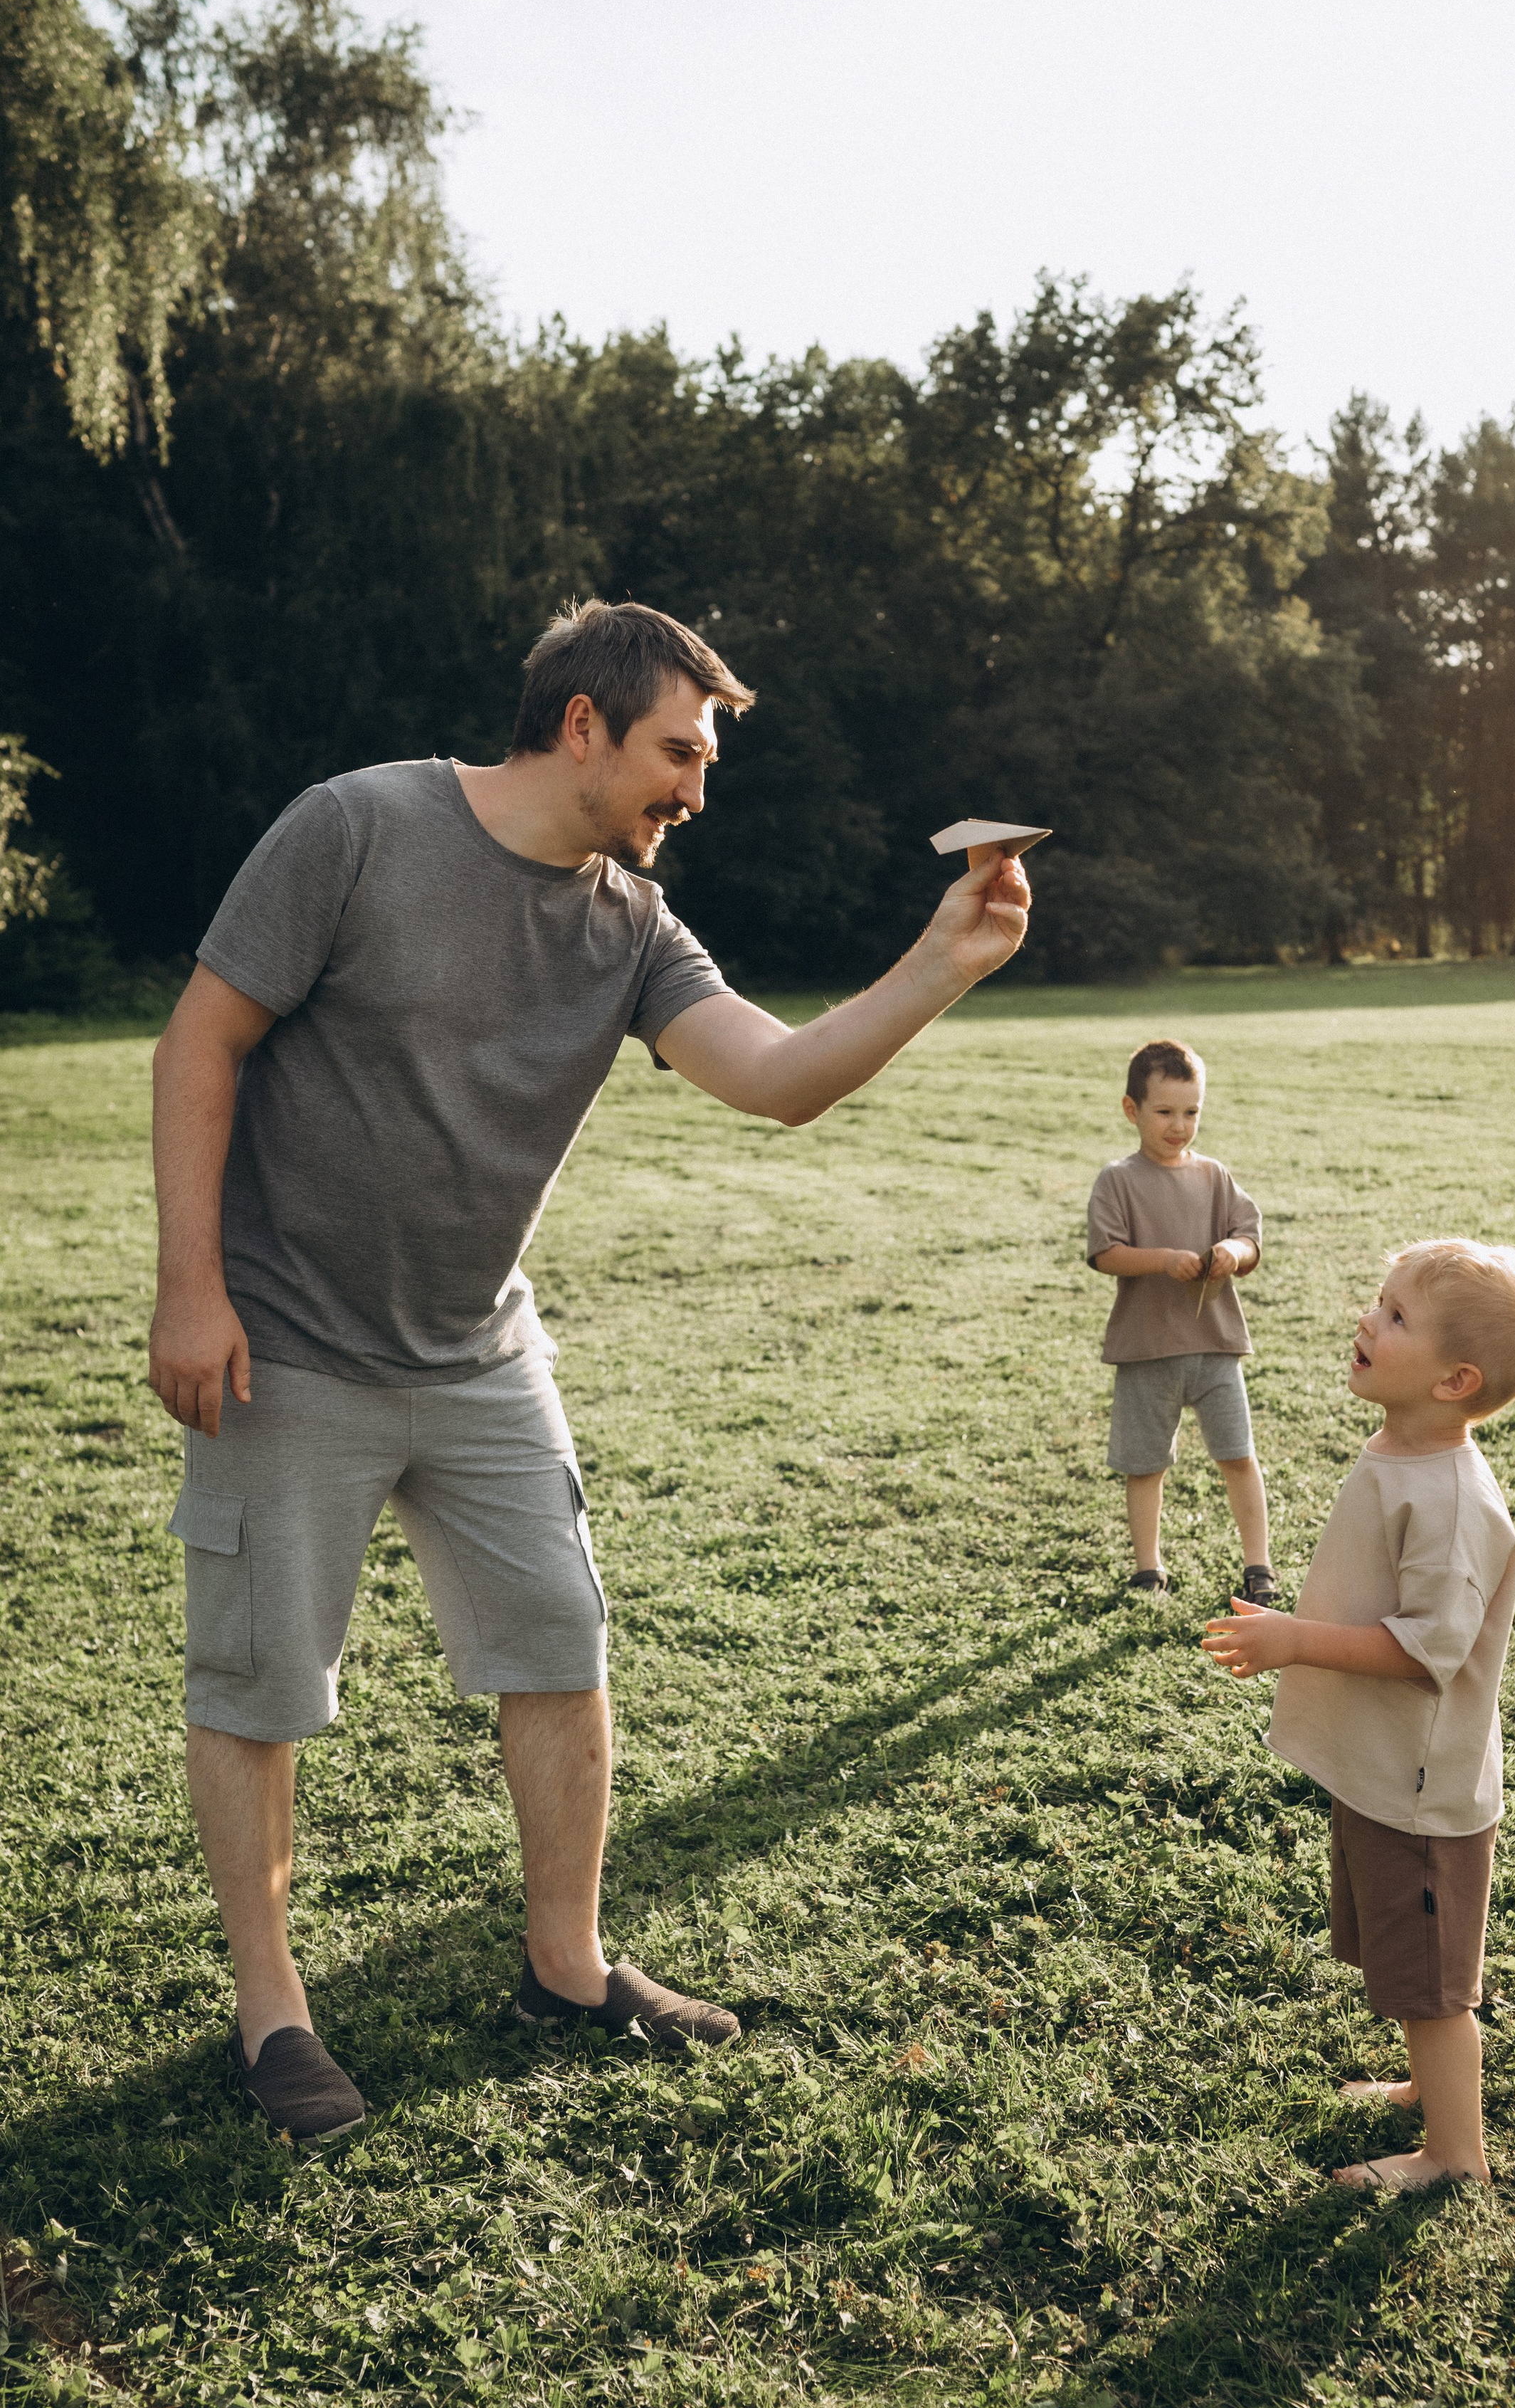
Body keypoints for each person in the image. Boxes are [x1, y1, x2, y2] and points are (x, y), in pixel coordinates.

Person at [147, 597, 1033, 2145]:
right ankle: (272, 2015)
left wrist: (942, 964)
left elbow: (773, 1082)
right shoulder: (353, 828)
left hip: (483, 1348)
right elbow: (199, 1043)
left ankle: (567, 1965)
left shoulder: (627, 922)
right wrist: (190, 1286)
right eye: (678, 752)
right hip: (286, 1340)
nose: (695, 787)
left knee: (558, 1641)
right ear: (582, 726)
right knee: (260, 1679)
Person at [1202, 1238, 1515, 2192]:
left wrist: (1295, 1638)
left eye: (1398, 1315)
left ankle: (1455, 2153)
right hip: (1389, 1773)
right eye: (1381, 1300)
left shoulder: (1452, 1502)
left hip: (1426, 1790)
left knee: (1437, 1986)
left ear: (1457, 1379)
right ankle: (1426, 2086)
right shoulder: (1405, 1449)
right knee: (1411, 1964)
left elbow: (1424, 1649)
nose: (1370, 1318)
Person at [1086, 1039, 1274, 1604]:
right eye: (1164, 1112)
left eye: (1191, 1111)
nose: (1179, 1125)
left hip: (1215, 1345)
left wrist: (1231, 1253)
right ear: (1132, 1110)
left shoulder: (1215, 1176)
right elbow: (1106, 1253)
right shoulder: (1118, 1180)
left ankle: (1258, 1564)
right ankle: (1149, 1568)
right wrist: (1164, 1260)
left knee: (1238, 1454)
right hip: (1146, 1350)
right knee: (1145, 1464)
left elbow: (1250, 1237)